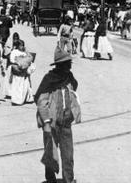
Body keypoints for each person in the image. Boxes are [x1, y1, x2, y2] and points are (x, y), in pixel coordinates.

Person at [35, 47, 81, 183]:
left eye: (70, 64)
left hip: (66, 122)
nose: (69, 67)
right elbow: (41, 102)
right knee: (50, 154)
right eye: (67, 64)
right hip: (52, 123)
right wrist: (47, 123)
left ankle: (69, 180)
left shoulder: (69, 77)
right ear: (59, 66)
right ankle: (50, 180)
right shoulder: (49, 79)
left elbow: (74, 89)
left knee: (68, 155)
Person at [9, 40, 35, 105]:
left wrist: (26, 63)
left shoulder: (25, 52)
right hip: (17, 70)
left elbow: (30, 58)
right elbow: (12, 60)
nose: (22, 47)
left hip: (24, 71)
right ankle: (17, 100)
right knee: (18, 86)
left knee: (26, 85)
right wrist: (19, 62)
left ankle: (27, 98)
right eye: (21, 45)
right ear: (17, 46)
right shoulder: (14, 52)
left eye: (23, 45)